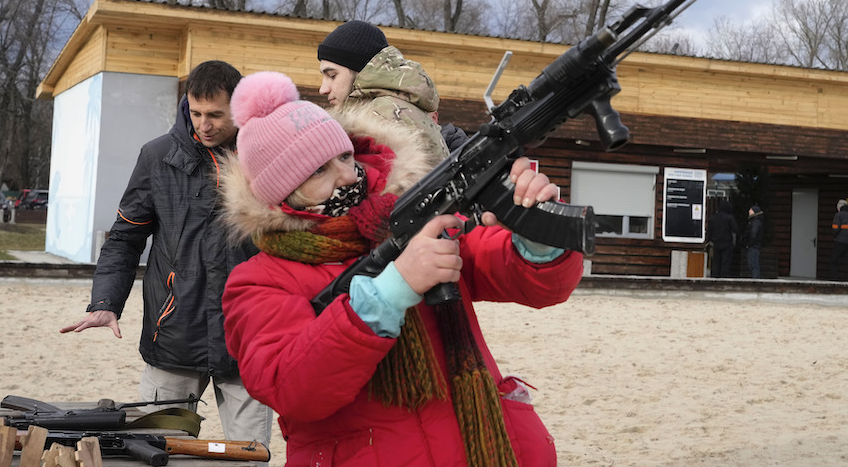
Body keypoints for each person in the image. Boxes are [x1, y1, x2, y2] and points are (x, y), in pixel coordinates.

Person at [218, 71, 583, 466]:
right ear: (281, 195)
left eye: (344, 156)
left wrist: (536, 234)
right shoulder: (258, 280)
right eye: (318, 172)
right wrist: (387, 294)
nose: (348, 174)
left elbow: (529, 280)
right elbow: (291, 389)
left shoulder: (407, 218)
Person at [60, 60, 273, 449]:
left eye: (215, 115)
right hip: (173, 334)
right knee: (156, 451)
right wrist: (107, 301)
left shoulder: (270, 158)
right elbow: (125, 238)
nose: (203, 124)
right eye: (195, 113)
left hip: (248, 338)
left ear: (240, 108)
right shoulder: (156, 156)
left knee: (251, 456)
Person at [317, 19, 468, 158]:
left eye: (332, 76)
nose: (323, 89)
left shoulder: (380, 117)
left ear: (362, 73)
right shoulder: (395, 108)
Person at [706, 200, 739, 278]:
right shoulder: (730, 218)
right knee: (725, 262)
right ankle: (724, 278)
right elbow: (735, 229)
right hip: (727, 243)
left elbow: (709, 232)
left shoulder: (713, 218)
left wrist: (710, 239)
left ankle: (714, 277)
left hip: (716, 243)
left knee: (716, 262)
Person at [741, 205, 764, 279]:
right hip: (754, 246)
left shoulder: (755, 222)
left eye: (751, 210)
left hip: (753, 246)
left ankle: (756, 280)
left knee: (753, 264)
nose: (749, 211)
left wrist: (749, 244)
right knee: (753, 264)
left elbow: (753, 234)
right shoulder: (755, 221)